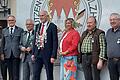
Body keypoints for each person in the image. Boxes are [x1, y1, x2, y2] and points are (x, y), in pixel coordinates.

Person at [32, 10, 58, 80]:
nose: (41, 17)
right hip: (38, 53)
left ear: (47, 16)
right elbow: (35, 40)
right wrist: (33, 53)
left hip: (48, 54)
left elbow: (55, 42)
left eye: (42, 15)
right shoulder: (37, 26)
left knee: (49, 74)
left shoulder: (52, 26)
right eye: (40, 16)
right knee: (35, 74)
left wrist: (53, 56)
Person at [1, 15, 24, 80]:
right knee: (10, 72)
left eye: (12, 20)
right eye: (9, 20)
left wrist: (21, 53)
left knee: (16, 73)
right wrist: (2, 53)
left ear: (15, 21)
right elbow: (2, 43)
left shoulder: (20, 30)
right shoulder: (4, 30)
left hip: (16, 54)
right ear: (7, 21)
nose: (11, 21)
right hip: (7, 54)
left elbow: (21, 42)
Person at [106, 13, 120, 80]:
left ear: (119, 20)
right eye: (110, 20)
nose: (112, 21)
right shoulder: (108, 31)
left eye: (114, 19)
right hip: (111, 61)